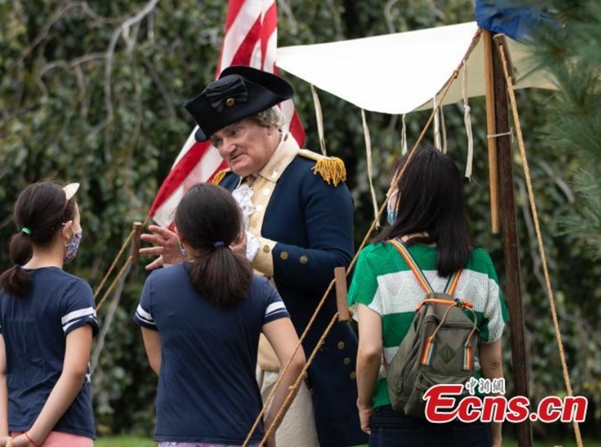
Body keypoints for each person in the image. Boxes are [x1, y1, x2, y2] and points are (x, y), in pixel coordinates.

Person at [141, 66, 367, 446]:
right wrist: (186, 262)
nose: (225, 147)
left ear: (270, 124)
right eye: (217, 140)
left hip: (299, 364)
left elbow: (338, 268)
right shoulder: (224, 186)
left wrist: (254, 249)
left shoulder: (316, 177)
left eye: (234, 132)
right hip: (233, 370)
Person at [348, 147, 508, 446]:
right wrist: (495, 433)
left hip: (396, 415)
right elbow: (494, 362)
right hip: (466, 417)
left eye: (394, 188)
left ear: (408, 197)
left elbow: (370, 351)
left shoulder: (374, 260)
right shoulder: (480, 264)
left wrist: (364, 403)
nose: (388, 196)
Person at [135, 183, 305, 447]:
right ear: (237, 232)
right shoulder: (257, 288)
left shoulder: (157, 286)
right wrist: (269, 425)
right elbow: (295, 360)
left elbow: (160, 362)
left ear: (182, 237)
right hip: (244, 434)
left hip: (180, 436)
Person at [0, 181, 98, 447]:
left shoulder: (8, 292)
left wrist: (4, 435)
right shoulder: (75, 291)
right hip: (65, 433)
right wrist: (34, 437)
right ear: (68, 230)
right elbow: (74, 372)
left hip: (14, 434)